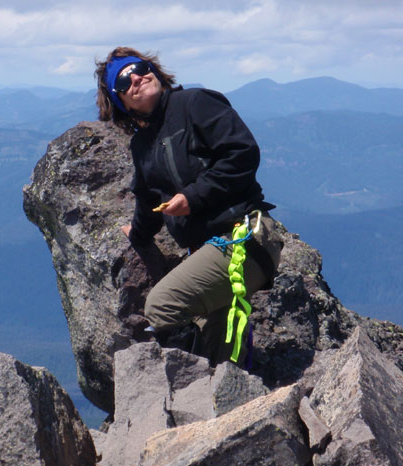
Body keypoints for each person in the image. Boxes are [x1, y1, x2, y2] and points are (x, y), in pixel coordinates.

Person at [95, 46, 283, 367]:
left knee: (161, 306)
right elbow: (147, 200)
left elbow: (243, 153)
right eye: (124, 82)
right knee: (221, 361)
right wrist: (137, 235)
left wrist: (193, 197)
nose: (136, 78)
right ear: (120, 103)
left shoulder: (195, 104)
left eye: (139, 68)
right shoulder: (141, 146)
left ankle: (180, 376)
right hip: (210, 251)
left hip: (245, 236)